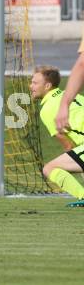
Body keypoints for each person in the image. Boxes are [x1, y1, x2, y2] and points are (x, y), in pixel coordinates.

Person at [30, 66, 84, 206]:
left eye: (35, 83)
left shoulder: (48, 109)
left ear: (47, 86)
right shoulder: (70, 95)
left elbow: (68, 146)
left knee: (50, 168)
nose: (31, 86)